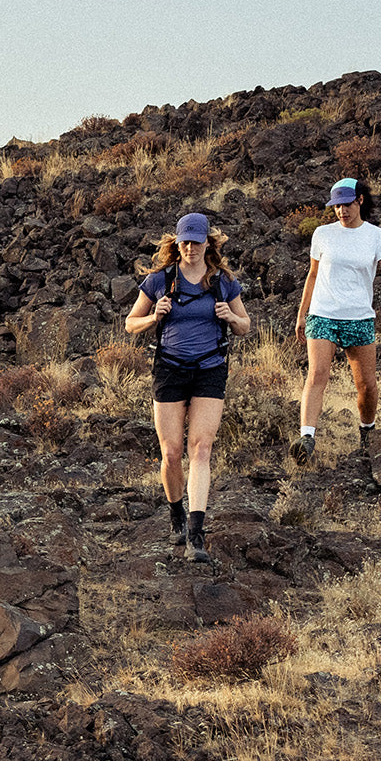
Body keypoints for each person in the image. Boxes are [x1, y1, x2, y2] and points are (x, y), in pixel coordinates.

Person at [125, 212, 251, 562]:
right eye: (186, 242)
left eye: (197, 241)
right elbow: (130, 323)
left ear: (208, 242)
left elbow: (245, 325)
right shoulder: (160, 281)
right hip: (169, 368)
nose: (192, 248)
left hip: (211, 369)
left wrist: (230, 317)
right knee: (171, 453)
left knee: (201, 448)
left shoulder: (223, 281)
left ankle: (196, 534)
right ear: (177, 244)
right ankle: (176, 513)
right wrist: (154, 316)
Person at [291, 177, 381, 463]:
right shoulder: (322, 234)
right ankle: (306, 438)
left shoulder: (376, 235)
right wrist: (302, 314)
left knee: (366, 385)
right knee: (317, 375)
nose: (342, 211)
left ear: (360, 201)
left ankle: (367, 432)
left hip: (359, 316)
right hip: (323, 313)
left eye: (347, 204)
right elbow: (313, 274)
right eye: (337, 206)